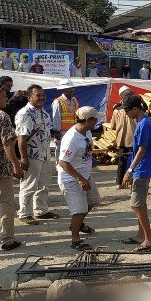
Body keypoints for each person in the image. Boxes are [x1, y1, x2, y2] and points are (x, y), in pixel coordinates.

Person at [57, 106, 101, 250]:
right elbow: (63, 162)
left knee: (93, 200)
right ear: (88, 120)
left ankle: (78, 223)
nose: (97, 122)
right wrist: (80, 179)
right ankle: (75, 239)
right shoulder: (72, 138)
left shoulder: (86, 131)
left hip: (85, 174)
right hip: (71, 178)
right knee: (79, 210)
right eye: (95, 119)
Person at [15, 84, 59, 225]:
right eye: (38, 95)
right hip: (31, 155)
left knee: (44, 184)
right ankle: (24, 213)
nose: (42, 98)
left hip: (45, 154)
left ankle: (41, 210)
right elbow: (21, 138)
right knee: (29, 185)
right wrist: (24, 157)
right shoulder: (25, 113)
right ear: (29, 97)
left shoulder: (44, 113)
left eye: (43, 95)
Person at [121, 95, 151, 252]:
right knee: (140, 204)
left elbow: (141, 150)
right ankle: (141, 235)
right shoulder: (144, 122)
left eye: (127, 110)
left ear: (135, 109)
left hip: (141, 169)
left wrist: (129, 170)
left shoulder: (143, 124)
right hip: (141, 168)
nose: (125, 113)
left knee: (137, 205)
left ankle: (149, 240)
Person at [0, 83, 25, 251]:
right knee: (6, 204)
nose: (7, 98)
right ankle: (8, 240)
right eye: (4, 96)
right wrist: (16, 165)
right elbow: (7, 144)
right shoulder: (0, 116)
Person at [109, 86, 136, 187]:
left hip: (121, 140)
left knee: (121, 161)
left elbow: (112, 126)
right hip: (133, 139)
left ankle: (119, 183)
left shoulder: (116, 110)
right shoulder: (134, 109)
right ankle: (130, 182)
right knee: (133, 161)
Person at [51, 79, 81, 143]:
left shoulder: (74, 100)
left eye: (71, 88)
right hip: (62, 131)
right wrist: (57, 131)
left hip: (74, 130)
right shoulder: (58, 101)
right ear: (63, 90)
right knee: (61, 149)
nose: (71, 90)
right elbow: (56, 117)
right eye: (68, 88)